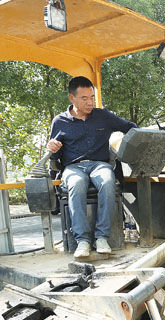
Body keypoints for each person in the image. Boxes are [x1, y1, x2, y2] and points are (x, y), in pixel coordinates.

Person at [47, 76, 137, 258]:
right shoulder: (59, 121)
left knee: (107, 180)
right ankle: (82, 241)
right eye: (84, 98)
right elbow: (55, 157)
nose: (90, 102)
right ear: (72, 98)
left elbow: (130, 127)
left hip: (100, 164)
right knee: (76, 184)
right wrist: (51, 147)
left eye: (92, 97)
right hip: (73, 167)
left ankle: (102, 237)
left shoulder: (103, 116)